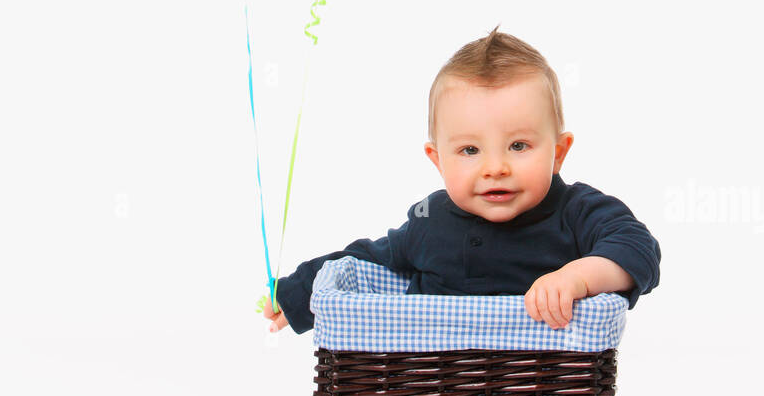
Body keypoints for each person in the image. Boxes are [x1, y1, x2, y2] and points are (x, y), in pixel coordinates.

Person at [262, 25, 661, 333]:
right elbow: (368, 256)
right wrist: (295, 293)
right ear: (438, 160)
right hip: (437, 390)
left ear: (558, 152)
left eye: (519, 146)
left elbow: (639, 248)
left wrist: (575, 278)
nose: (495, 167)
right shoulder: (430, 219)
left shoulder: (577, 211)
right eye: (470, 151)